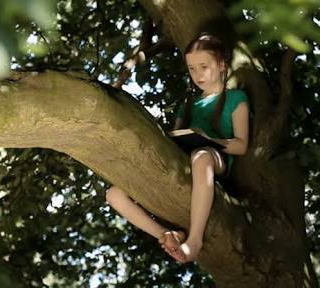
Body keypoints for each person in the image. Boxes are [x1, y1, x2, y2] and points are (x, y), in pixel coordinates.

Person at [105, 32, 249, 264]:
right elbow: (174, 137)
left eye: (204, 66)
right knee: (114, 193)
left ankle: (194, 240)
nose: (197, 74)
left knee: (201, 156)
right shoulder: (189, 104)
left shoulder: (236, 98)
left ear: (222, 64)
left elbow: (241, 145)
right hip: (182, 159)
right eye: (192, 68)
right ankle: (165, 234)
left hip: (215, 158)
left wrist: (212, 141)